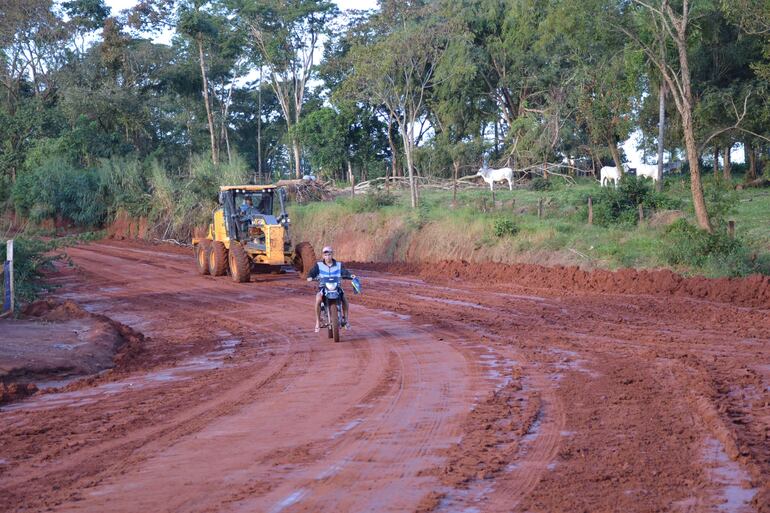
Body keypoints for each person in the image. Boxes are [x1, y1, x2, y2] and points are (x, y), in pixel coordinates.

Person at [306, 246, 356, 332]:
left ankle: (346, 320)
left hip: (337, 287)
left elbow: (345, 272)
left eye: (329, 254)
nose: (328, 257)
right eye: (326, 255)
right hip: (323, 287)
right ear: (323, 256)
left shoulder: (339, 265)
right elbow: (311, 273)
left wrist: (350, 276)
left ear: (332, 255)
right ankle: (317, 322)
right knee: (318, 299)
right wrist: (310, 277)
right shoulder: (319, 265)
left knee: (344, 298)